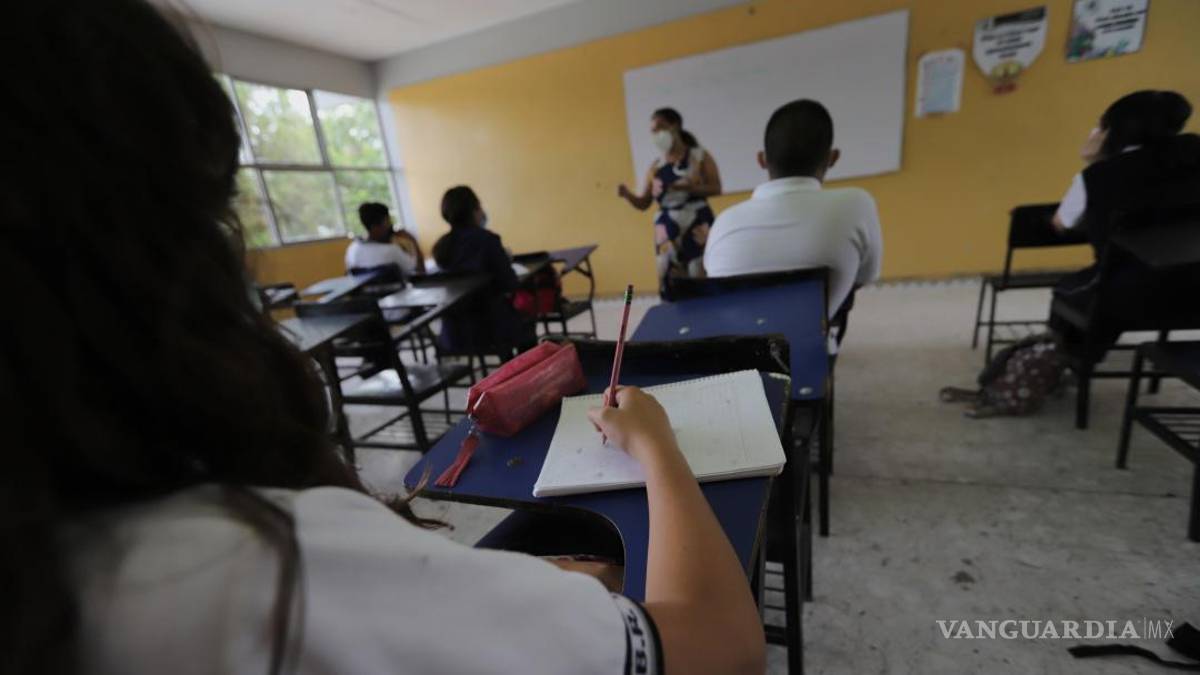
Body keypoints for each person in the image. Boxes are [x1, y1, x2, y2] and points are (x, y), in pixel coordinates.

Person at [2, 2, 767, 674]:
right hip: (504, 327)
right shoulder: (260, 567)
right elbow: (721, 649)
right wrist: (657, 444)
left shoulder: (61, 566)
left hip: (447, 335)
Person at [1047, 90, 1200, 357]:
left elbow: (1061, 224)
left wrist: (1095, 164)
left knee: (1072, 290)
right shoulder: (1192, 157)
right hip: (1194, 293)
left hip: (1128, 296)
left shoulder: (1099, 177)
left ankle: (1072, 360)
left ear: (1112, 129)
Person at [703, 99, 883, 319]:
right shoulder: (856, 204)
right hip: (809, 339)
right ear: (832, 158)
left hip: (733, 339)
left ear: (761, 160)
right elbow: (864, 277)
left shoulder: (723, 221)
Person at [618, 107, 722, 285]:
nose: (656, 134)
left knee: (700, 275)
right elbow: (644, 203)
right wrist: (627, 195)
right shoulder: (656, 166)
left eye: (661, 127)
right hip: (667, 232)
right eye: (653, 131)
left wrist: (690, 189)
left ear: (676, 126)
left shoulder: (699, 156)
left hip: (698, 225)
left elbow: (716, 188)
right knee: (671, 280)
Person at [432, 186, 537, 355]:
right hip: (492, 328)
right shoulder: (487, 241)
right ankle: (519, 367)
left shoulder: (441, 247)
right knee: (527, 324)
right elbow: (510, 283)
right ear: (474, 210)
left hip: (455, 331)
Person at [344, 201, 419, 277]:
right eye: (388, 221)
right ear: (376, 226)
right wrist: (413, 241)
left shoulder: (352, 249)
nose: (391, 225)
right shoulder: (392, 251)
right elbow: (416, 269)